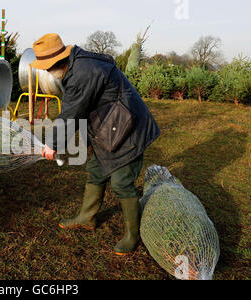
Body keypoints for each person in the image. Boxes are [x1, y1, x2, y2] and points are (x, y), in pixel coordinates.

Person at [31, 33, 160, 255]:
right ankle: (86, 218)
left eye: (47, 67)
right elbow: (80, 110)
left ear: (58, 61)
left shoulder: (83, 72)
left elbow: (71, 113)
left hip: (129, 129)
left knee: (122, 182)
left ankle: (133, 234)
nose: (46, 71)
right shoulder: (76, 66)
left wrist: (52, 145)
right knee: (96, 170)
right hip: (110, 127)